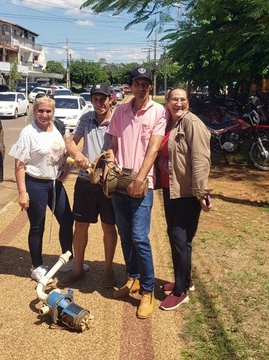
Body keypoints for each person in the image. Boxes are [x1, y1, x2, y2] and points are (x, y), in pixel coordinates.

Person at [107, 67, 167, 319]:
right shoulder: (120, 111)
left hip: (143, 183)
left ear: (150, 87)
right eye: (136, 83)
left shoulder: (158, 112)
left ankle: (148, 291)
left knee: (140, 237)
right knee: (124, 234)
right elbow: (112, 144)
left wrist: (140, 180)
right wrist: (109, 166)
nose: (140, 88)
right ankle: (132, 277)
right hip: (120, 182)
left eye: (145, 84)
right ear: (130, 85)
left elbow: (153, 149)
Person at [156, 88, 212, 311]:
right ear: (167, 102)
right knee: (180, 238)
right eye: (174, 99)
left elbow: (201, 158)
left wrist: (201, 192)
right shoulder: (169, 122)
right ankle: (185, 280)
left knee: (179, 237)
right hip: (171, 189)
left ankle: (180, 292)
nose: (178, 103)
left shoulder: (192, 123)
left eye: (183, 99)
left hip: (188, 192)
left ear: (188, 102)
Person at [58, 83, 118, 288]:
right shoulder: (86, 119)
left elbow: (117, 147)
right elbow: (71, 143)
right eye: (96, 99)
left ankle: (108, 270)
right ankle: (77, 269)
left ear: (111, 99)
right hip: (85, 181)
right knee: (80, 227)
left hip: (108, 183)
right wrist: (79, 156)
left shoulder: (117, 119)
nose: (100, 103)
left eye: (103, 99)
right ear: (91, 100)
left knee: (109, 228)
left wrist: (110, 161)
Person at [9, 95, 74, 282]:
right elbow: (19, 164)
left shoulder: (58, 128)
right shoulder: (28, 132)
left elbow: (64, 151)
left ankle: (68, 258)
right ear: (34, 111)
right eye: (41, 111)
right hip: (35, 183)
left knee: (67, 220)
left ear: (53, 112)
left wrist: (65, 166)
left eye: (48, 111)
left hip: (55, 183)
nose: (44, 115)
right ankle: (36, 266)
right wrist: (22, 192)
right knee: (38, 226)